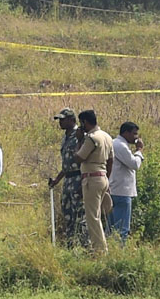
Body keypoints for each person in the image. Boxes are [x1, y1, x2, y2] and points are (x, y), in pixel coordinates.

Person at [74, 110, 114, 255]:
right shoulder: (107, 137)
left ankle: (100, 250)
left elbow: (79, 158)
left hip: (91, 178)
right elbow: (111, 161)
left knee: (92, 217)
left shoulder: (91, 138)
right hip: (103, 177)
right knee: (97, 215)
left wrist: (79, 140)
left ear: (85, 122)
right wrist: (107, 180)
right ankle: (101, 245)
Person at [49, 108, 87, 247]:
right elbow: (67, 164)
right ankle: (70, 245)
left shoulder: (80, 136)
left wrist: (84, 183)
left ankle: (85, 246)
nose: (60, 122)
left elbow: (83, 160)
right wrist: (57, 180)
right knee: (68, 214)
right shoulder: (66, 137)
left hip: (79, 177)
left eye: (63, 119)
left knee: (80, 215)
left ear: (72, 120)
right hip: (68, 180)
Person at [108, 122, 144, 244]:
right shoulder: (120, 146)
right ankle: (119, 253)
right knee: (122, 229)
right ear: (126, 133)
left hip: (113, 189)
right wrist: (139, 150)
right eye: (134, 134)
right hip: (122, 192)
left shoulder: (114, 143)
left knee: (111, 227)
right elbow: (134, 164)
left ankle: (111, 251)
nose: (136, 137)